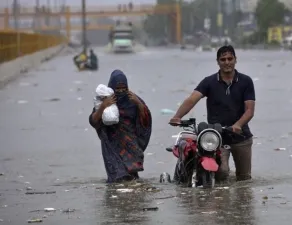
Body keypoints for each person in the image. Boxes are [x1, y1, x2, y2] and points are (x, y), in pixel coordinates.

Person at [169, 45, 256, 181]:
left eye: (229, 58)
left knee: (244, 179)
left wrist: (238, 124)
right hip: (216, 137)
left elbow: (249, 110)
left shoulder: (246, 81)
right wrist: (177, 116)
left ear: (235, 60)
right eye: (223, 59)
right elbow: (192, 99)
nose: (227, 62)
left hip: (241, 136)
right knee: (221, 172)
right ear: (218, 62)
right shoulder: (209, 82)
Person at [89, 69, 152, 183]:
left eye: (124, 88)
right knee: (116, 178)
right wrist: (103, 106)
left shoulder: (133, 100)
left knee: (132, 180)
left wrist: (138, 104)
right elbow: (93, 121)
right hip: (111, 145)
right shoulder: (104, 100)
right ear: (111, 87)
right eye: (117, 88)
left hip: (131, 147)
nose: (121, 91)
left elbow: (145, 120)